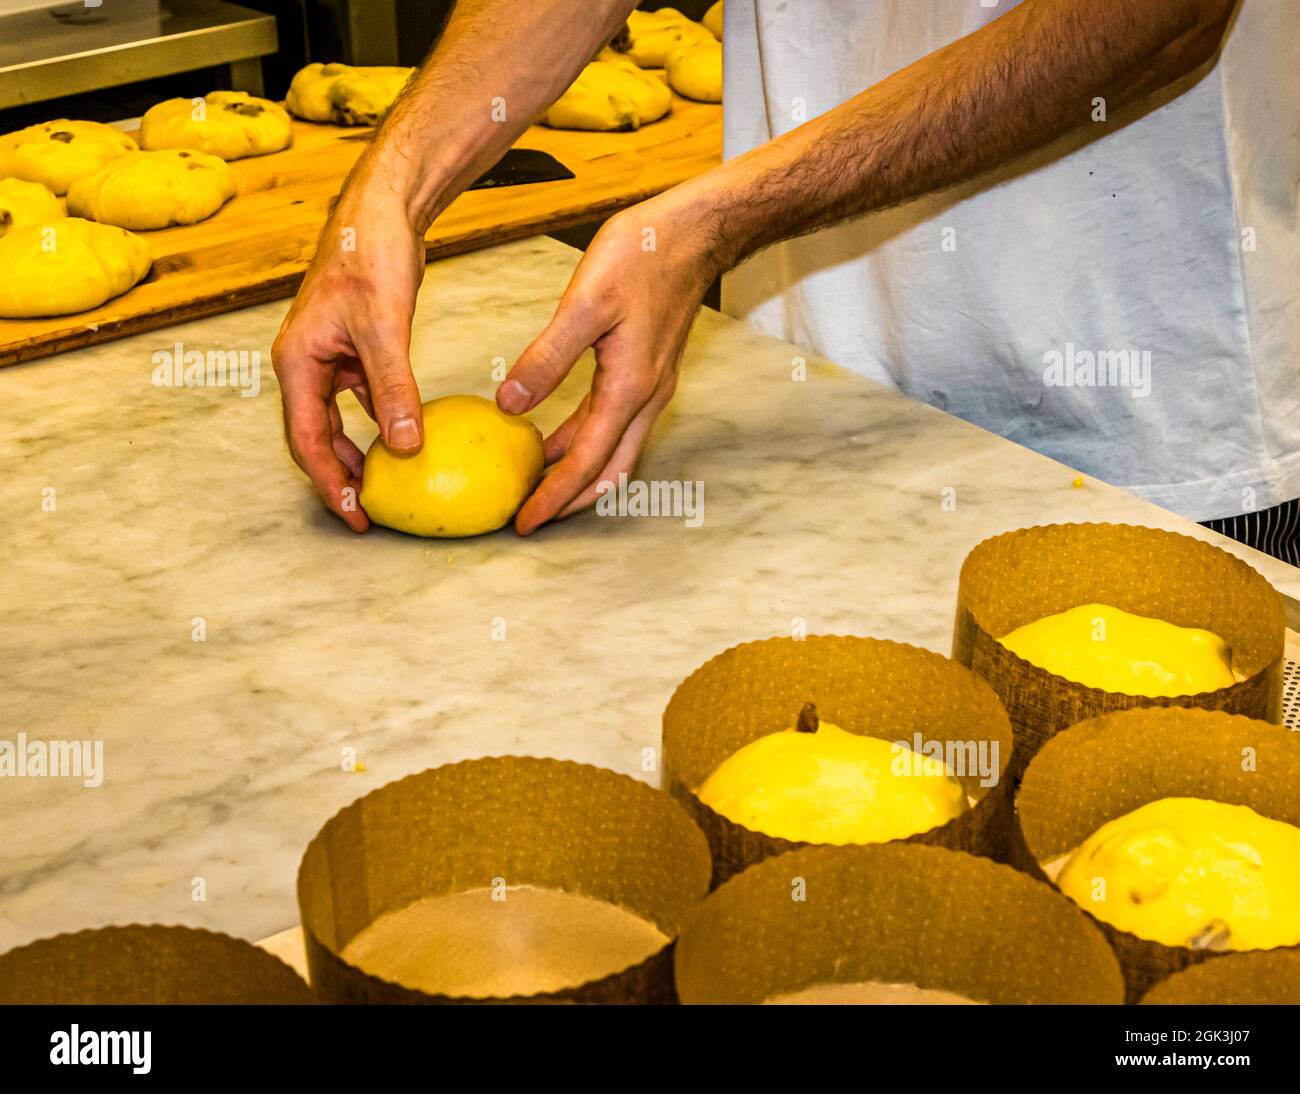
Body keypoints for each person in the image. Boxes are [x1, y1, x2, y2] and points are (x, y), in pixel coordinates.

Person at [272, 0, 1299, 564]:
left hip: (1142, 415)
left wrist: (716, 220)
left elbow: (1157, 17)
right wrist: (390, 187)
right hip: (828, 397)